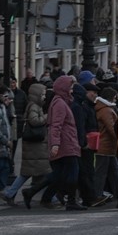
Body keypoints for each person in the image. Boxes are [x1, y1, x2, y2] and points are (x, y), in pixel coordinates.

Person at [40, 75, 84, 210]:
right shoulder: (60, 103)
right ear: (63, 88)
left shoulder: (61, 102)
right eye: (70, 88)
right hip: (66, 143)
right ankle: (70, 200)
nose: (71, 91)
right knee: (72, 172)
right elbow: (56, 125)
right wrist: (55, 144)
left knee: (61, 174)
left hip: (67, 142)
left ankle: (45, 196)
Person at [8, 83, 52, 208]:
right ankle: (51, 198)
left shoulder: (34, 106)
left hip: (35, 146)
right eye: (42, 94)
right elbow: (34, 121)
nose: (44, 97)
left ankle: (11, 193)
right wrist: (46, 116)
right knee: (40, 172)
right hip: (35, 146)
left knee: (32, 173)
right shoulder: (34, 106)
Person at [92, 86, 118, 205]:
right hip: (106, 146)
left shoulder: (101, 108)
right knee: (104, 172)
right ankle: (97, 195)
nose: (115, 99)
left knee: (113, 171)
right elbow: (112, 128)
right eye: (114, 97)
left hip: (105, 147)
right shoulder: (106, 110)